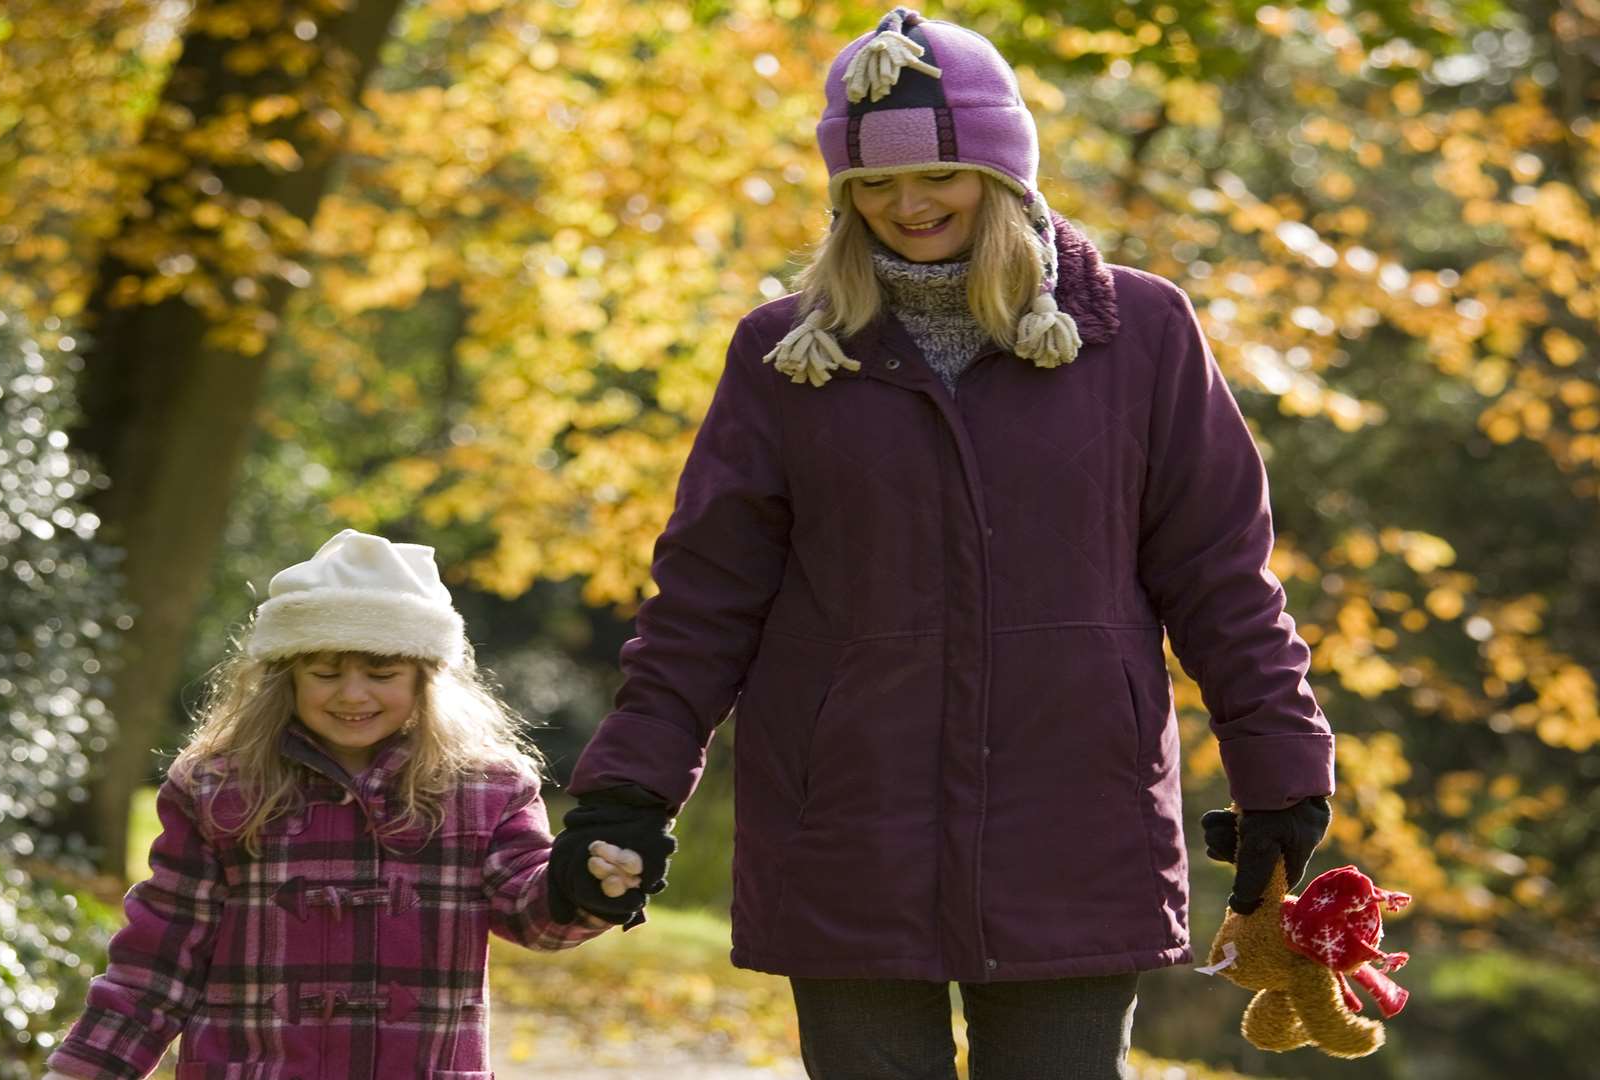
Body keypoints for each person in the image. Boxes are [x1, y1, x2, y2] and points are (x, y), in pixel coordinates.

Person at [545, 7, 1336, 1078]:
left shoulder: (1140, 337)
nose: (908, 206)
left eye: (941, 176)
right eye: (873, 186)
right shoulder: (785, 355)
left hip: (1075, 818)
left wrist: (1280, 771)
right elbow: (706, 598)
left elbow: (1221, 578)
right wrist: (628, 793)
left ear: (1004, 173)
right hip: (848, 827)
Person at [44, 529, 633, 1080]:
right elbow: (157, 962)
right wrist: (86, 1071)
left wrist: (584, 883)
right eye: (325, 672)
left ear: (426, 677)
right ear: (289, 677)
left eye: (381, 672)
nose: (352, 695)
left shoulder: (486, 789)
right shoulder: (217, 788)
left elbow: (532, 915)